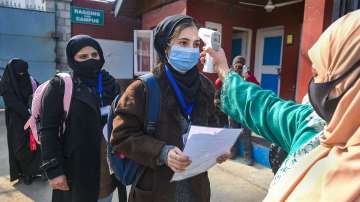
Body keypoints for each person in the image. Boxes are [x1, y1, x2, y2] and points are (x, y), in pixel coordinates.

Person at [201, 10, 360, 201]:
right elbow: (265, 108)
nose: (313, 84)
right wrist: (223, 69)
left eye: (319, 74)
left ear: (351, 82)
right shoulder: (316, 125)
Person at [110, 15, 229, 202]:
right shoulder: (144, 88)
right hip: (155, 191)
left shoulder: (205, 87)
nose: (191, 50)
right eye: (183, 42)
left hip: (196, 191)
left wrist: (218, 148)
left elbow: (213, 125)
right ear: (165, 47)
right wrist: (161, 152)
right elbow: (120, 136)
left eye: (195, 44)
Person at [39, 35, 123, 202]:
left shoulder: (111, 84)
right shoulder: (60, 87)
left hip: (106, 168)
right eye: (83, 57)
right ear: (72, 60)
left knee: (105, 197)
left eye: (94, 55)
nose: (90, 60)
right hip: (76, 169)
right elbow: (48, 131)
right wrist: (54, 170)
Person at [0, 58, 40, 185]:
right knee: (20, 147)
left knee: (33, 146)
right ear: (13, 72)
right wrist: (27, 113)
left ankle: (32, 171)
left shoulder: (30, 80)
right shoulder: (6, 83)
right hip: (16, 120)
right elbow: (12, 102)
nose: (23, 75)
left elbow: (39, 91)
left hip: (31, 117)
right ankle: (23, 173)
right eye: (20, 73)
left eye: (24, 72)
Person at [228, 56, 258, 165]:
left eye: (240, 65)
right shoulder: (230, 76)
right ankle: (232, 152)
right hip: (233, 110)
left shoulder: (248, 77)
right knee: (233, 132)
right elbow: (219, 83)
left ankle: (247, 156)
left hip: (245, 111)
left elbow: (256, 86)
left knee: (246, 133)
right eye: (236, 65)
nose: (238, 67)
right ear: (233, 65)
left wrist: (247, 76)